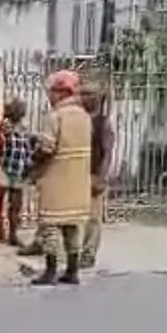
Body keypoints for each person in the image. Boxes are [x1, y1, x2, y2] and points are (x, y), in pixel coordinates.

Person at [30, 70, 92, 286]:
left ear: (60, 92)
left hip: (56, 177)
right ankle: (72, 270)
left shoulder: (55, 116)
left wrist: (33, 163)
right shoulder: (84, 117)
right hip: (79, 179)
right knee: (73, 225)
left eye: (52, 92)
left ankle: (50, 270)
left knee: (51, 225)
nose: (50, 96)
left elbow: (47, 148)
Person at [80, 81, 115, 269]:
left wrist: (100, 178)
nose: (82, 98)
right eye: (82, 94)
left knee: (93, 219)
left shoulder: (102, 123)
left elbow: (107, 152)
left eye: (87, 94)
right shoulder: (81, 119)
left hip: (94, 175)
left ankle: (88, 254)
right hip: (79, 175)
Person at [0, 98, 31, 246]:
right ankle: (1, 232)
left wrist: (29, 164)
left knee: (15, 205)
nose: (20, 113)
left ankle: (12, 234)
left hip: (18, 170)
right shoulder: (4, 126)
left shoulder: (24, 127)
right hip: (4, 169)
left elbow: (26, 148)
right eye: (18, 109)